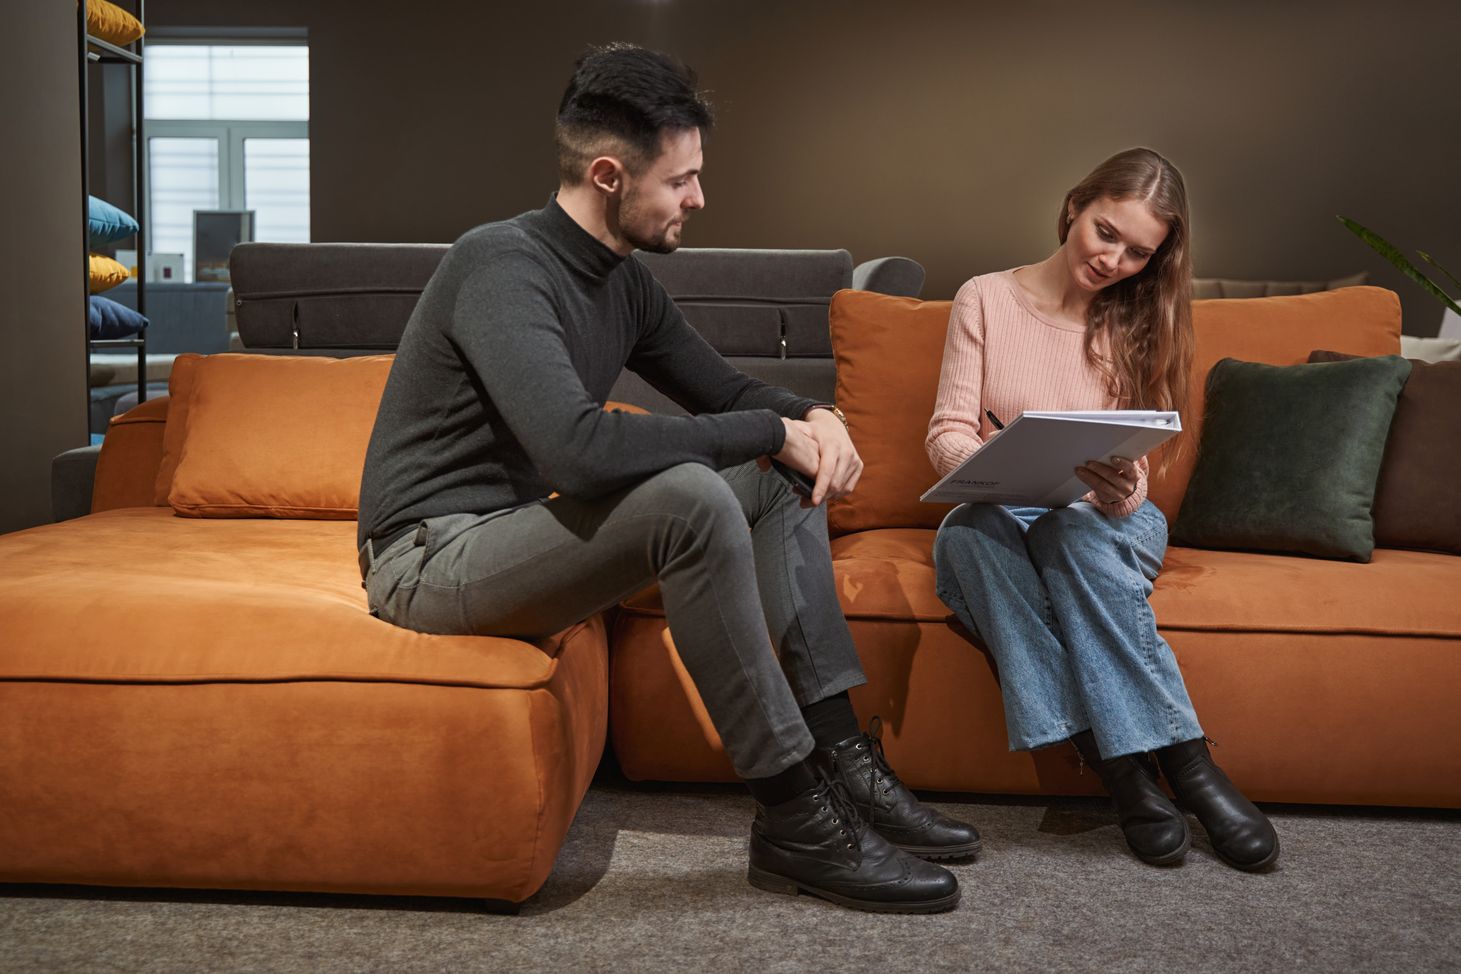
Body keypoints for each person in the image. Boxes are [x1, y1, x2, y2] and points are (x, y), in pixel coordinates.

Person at [356, 42, 977, 913]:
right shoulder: (499, 265)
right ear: (609, 175)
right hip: (428, 559)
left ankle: (838, 757)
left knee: (770, 476)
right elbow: (576, 451)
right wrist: (771, 427)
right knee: (691, 494)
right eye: (680, 180)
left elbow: (725, 389)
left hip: (518, 538)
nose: (698, 198)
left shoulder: (624, 283)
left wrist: (813, 418)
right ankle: (795, 813)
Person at [926, 148, 1279, 871]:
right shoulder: (984, 298)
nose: (1114, 260)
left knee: (1072, 534)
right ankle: (1133, 772)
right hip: (1005, 511)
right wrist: (995, 469)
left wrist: (1120, 486)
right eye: (1105, 233)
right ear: (1074, 208)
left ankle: (1182, 767)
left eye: (1138, 252)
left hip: (1101, 523)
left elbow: (1136, 464)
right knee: (965, 538)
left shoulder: (1137, 317)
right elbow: (946, 434)